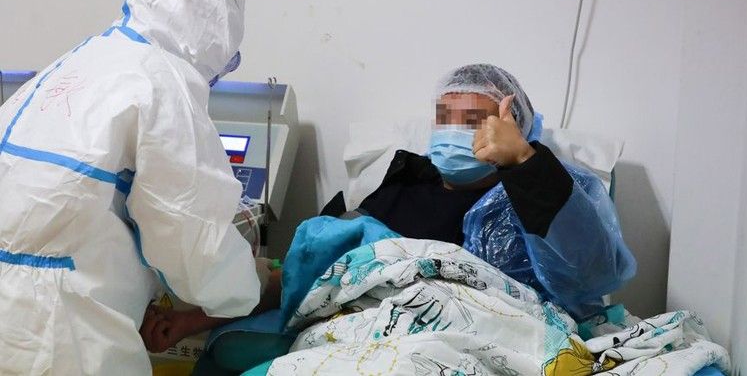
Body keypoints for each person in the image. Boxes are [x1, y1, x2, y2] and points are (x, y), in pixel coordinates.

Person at [139, 64, 635, 353]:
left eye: (475, 121)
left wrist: (524, 162)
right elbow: (311, 274)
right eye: (447, 119)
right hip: (366, 333)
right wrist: (192, 320)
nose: (456, 133)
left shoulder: (543, 188)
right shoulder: (397, 184)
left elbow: (590, 274)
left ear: (515, 126)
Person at [0, 0, 267, 374]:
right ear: (214, 36)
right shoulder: (164, 80)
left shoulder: (78, 61)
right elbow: (193, 240)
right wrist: (249, 285)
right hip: (64, 328)